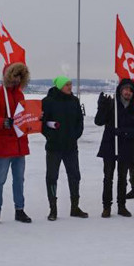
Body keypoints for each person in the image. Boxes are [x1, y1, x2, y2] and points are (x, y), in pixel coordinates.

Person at [0, 63, 33, 226]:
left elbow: (23, 117)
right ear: (9, 76)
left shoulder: (20, 95)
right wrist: (2, 122)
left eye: (20, 76)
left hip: (19, 145)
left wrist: (34, 120)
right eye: (15, 75)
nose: (17, 79)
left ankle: (19, 209)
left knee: (19, 180)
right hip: (4, 145)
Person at [95, 78, 134, 217]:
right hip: (110, 146)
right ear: (120, 90)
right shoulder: (112, 105)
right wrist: (101, 107)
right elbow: (98, 121)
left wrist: (124, 132)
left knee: (122, 178)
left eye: (130, 90)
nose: (128, 92)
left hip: (125, 147)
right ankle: (106, 206)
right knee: (108, 177)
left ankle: (121, 205)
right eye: (125, 89)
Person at [41, 76, 87, 221]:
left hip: (71, 147)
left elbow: (80, 121)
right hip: (54, 147)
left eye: (70, 84)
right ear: (60, 86)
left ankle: (75, 207)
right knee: (52, 177)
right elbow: (42, 124)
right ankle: (53, 209)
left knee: (74, 176)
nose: (69, 87)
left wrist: (75, 135)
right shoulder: (48, 101)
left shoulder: (74, 101)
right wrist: (51, 136)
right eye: (67, 85)